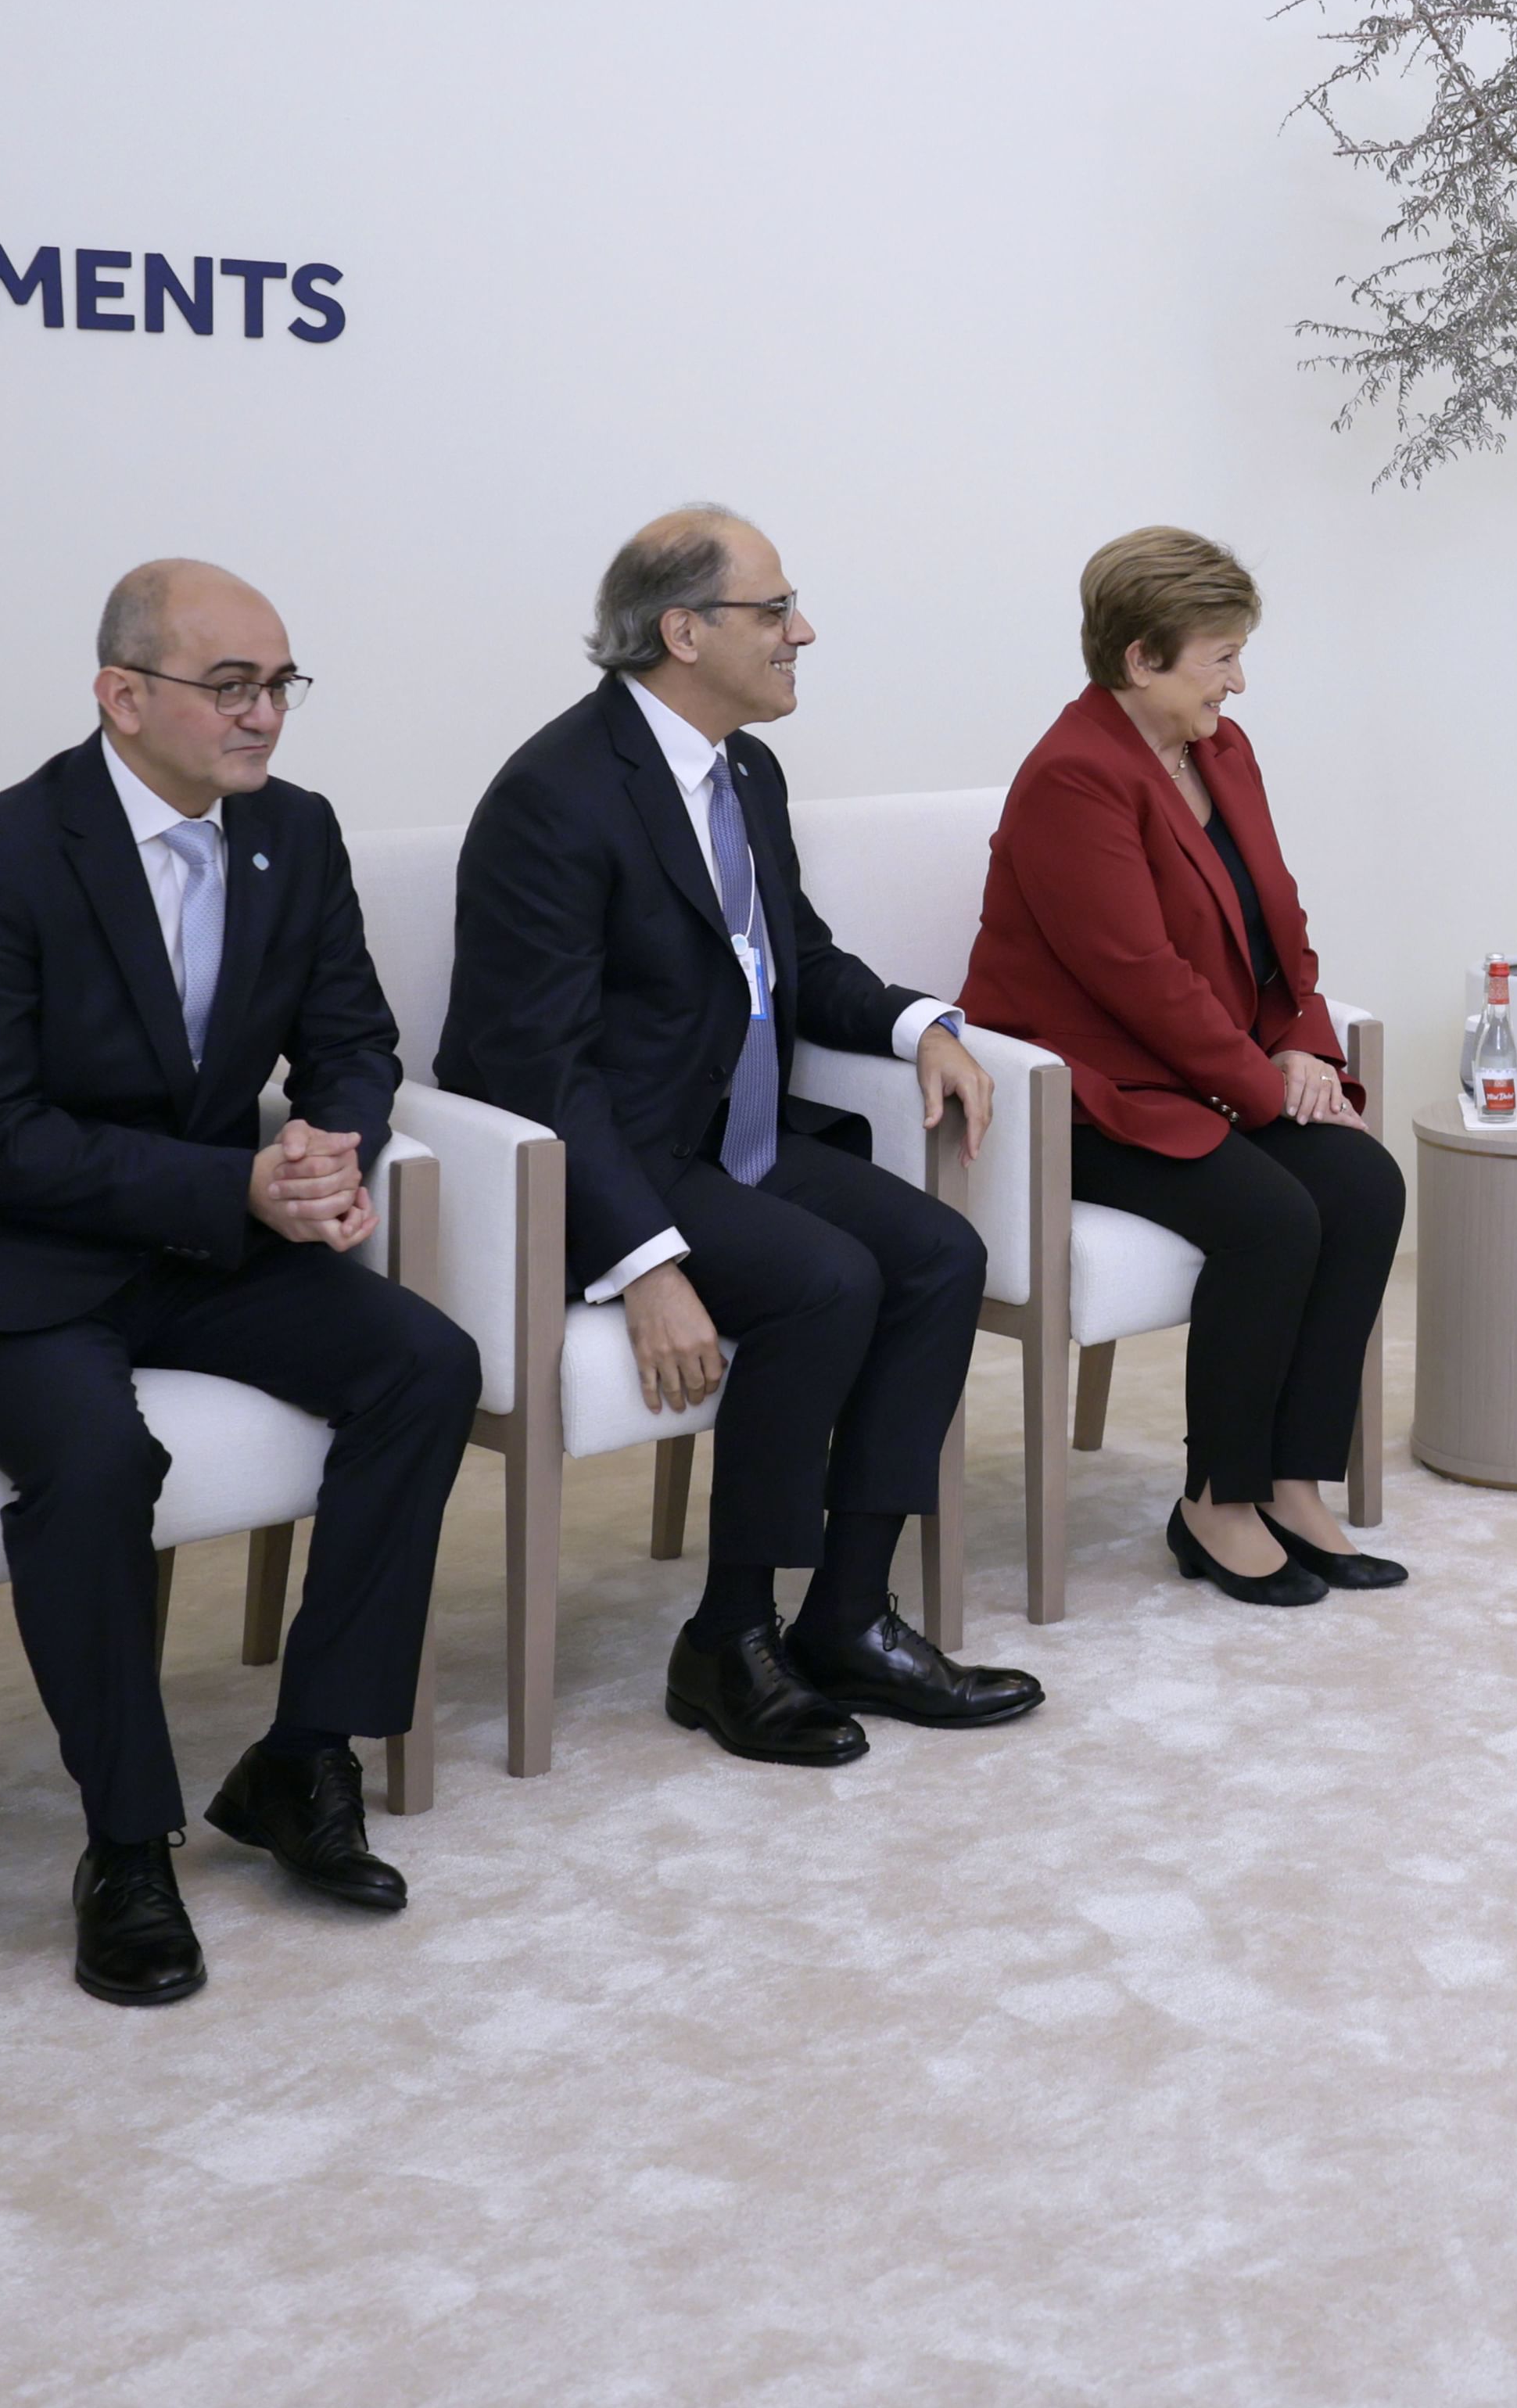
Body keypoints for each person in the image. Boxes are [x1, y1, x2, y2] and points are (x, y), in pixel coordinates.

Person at [0, 562, 477, 2007]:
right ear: (121, 694)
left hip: (196, 1234)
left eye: (279, 684)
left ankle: (303, 1758)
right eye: (230, 687)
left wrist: (334, 1144)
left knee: (424, 1365)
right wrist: (237, 1188)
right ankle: (125, 1841)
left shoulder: (293, 834)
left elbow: (354, 1036)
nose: (264, 715)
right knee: (95, 1452)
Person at [440, 507, 1038, 1765]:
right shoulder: (554, 796)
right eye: (775, 611)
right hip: (607, 1159)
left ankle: (848, 1616)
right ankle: (726, 1635)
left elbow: (796, 957)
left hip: (725, 1132)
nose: (801, 631)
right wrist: (644, 1258)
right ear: (683, 630)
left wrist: (920, 1021)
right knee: (828, 1281)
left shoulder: (742, 771)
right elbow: (533, 1067)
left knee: (938, 1255)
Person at [963, 529, 1406, 1608]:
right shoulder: (1075, 775)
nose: (1238, 679)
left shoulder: (1221, 748)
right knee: (1273, 1215)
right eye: (1219, 655)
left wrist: (1304, 1038)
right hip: (1090, 1094)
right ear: (1140, 660)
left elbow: (1277, 917)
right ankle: (1215, 1496)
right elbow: (1138, 979)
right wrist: (1269, 1090)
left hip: (1200, 1068)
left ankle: (1293, 1481)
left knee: (1363, 1182)